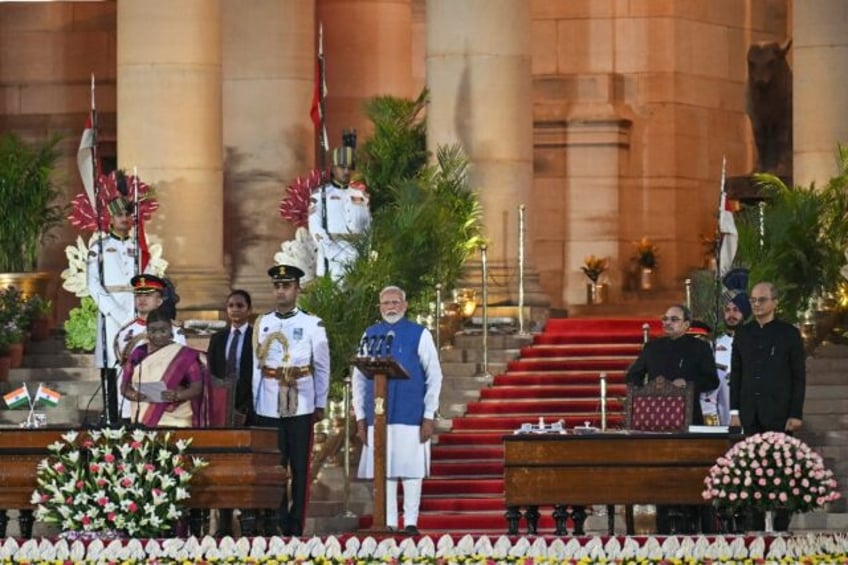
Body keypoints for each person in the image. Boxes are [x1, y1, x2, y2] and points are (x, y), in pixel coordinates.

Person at [352, 286, 444, 536]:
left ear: (404, 306)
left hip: (410, 414)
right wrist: (360, 418)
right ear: (380, 307)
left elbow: (434, 375)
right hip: (378, 415)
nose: (390, 307)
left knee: (411, 469)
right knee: (386, 469)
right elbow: (359, 379)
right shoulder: (370, 335)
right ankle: (389, 521)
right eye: (385, 303)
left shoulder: (419, 334)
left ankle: (411, 521)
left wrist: (429, 415)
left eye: (395, 302)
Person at [625, 304, 720, 535]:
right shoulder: (652, 347)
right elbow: (633, 376)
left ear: (687, 324)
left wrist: (687, 385)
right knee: (662, 474)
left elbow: (712, 380)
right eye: (665, 318)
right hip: (656, 424)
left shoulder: (700, 347)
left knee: (691, 474)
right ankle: (663, 526)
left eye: (673, 319)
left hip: (690, 421)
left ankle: (699, 524)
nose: (667, 322)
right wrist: (650, 389)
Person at [251, 264, 330, 536]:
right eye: (277, 286)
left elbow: (321, 366)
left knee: (299, 465)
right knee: (275, 466)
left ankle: (296, 523)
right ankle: (278, 521)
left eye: (286, 286)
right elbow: (255, 366)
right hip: (269, 403)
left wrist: (320, 402)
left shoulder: (312, 324)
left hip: (301, 400)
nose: (281, 291)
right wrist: (255, 402)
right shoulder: (263, 323)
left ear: (297, 289)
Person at [729, 281, 805, 532]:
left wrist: (795, 413)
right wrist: (734, 411)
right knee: (752, 470)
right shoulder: (743, 333)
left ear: (775, 302)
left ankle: (781, 523)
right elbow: (737, 374)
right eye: (753, 300)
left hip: (780, 413)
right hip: (750, 412)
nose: (756, 305)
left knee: (781, 470)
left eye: (761, 300)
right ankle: (755, 522)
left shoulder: (788, 333)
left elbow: (798, 376)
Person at [87, 195, 141, 423]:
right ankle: (112, 416)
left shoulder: (137, 247)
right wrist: (116, 312)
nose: (125, 219)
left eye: (128, 215)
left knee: (135, 362)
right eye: (120, 214)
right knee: (112, 363)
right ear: (111, 218)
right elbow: (93, 284)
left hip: (136, 311)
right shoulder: (99, 248)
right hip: (111, 315)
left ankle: (134, 416)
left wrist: (138, 311)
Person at [206, 289, 254, 537]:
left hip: (249, 411)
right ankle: (223, 522)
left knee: (245, 465)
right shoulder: (218, 339)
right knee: (223, 465)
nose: (235, 310)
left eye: (239, 305)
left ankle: (249, 521)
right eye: (231, 306)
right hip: (221, 414)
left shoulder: (256, 338)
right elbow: (212, 376)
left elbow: (253, 377)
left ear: (249, 309)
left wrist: (243, 408)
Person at [120, 305, 211, 428]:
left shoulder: (183, 355)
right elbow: (125, 388)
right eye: (153, 330)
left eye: (163, 330)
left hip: (177, 418)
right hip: (143, 416)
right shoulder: (138, 353)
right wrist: (135, 395)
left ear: (171, 331)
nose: (158, 335)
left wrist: (177, 395)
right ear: (146, 331)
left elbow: (196, 388)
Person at [115, 274, 186, 420]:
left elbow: (180, 367)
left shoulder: (174, 331)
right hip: (130, 400)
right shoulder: (124, 332)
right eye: (138, 295)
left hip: (160, 402)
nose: (142, 299)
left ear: (159, 300)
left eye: (148, 295)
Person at [308, 142, 371, 280]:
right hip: (331, 262)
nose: (346, 172)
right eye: (342, 167)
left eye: (350, 168)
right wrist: (332, 252)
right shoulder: (320, 195)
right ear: (333, 168)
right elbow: (315, 228)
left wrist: (364, 255)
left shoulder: (361, 196)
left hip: (356, 260)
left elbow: (368, 228)